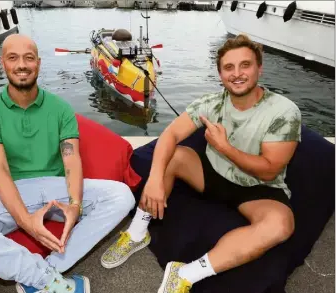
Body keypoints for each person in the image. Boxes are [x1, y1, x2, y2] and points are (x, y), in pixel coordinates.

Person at [100, 34, 302, 292]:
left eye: (245, 65)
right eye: (229, 67)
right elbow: (170, 134)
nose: (237, 73)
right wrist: (154, 180)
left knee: (281, 225)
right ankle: (138, 232)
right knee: (173, 154)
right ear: (220, 74)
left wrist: (224, 147)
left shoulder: (283, 111)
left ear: (259, 69)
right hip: (212, 175)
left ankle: (185, 273)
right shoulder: (211, 103)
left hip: (257, 188)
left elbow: (270, 169)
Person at [0, 33, 136, 293]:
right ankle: (46, 278)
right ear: (3, 63)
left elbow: (71, 159)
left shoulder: (60, 109)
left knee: (122, 196)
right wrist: (25, 221)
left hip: (55, 191)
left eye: (28, 58)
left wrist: (75, 205)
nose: (21, 64)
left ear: (38, 63)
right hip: (9, 192)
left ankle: (46, 272)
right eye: (13, 58)